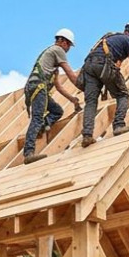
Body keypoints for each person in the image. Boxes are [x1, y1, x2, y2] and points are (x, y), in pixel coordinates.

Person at [79, 21, 129, 147]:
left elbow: (116, 64)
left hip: (88, 66)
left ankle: (87, 135)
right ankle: (118, 125)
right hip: (102, 63)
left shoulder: (111, 37)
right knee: (122, 95)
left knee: (91, 102)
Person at [20, 28, 83, 165]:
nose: (68, 50)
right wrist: (84, 88)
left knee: (57, 111)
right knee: (37, 118)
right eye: (69, 47)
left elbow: (58, 87)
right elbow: (71, 74)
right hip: (38, 88)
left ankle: (42, 126)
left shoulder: (51, 60)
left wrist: (73, 99)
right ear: (64, 43)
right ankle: (28, 153)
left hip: (36, 88)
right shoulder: (58, 50)